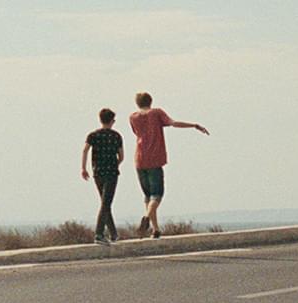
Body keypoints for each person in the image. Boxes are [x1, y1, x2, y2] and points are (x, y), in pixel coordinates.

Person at [129, 91, 209, 239]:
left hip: (139, 159)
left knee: (147, 195)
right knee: (157, 195)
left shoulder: (133, 117)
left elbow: (136, 133)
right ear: (150, 101)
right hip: (155, 159)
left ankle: (155, 229)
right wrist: (194, 125)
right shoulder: (156, 113)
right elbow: (173, 123)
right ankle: (147, 217)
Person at [80, 108, 124, 244]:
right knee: (106, 203)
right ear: (112, 121)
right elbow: (121, 156)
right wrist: (116, 163)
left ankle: (113, 234)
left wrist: (84, 168)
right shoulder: (116, 136)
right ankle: (99, 234)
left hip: (98, 172)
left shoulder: (93, 135)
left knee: (105, 203)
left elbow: (85, 150)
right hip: (111, 172)